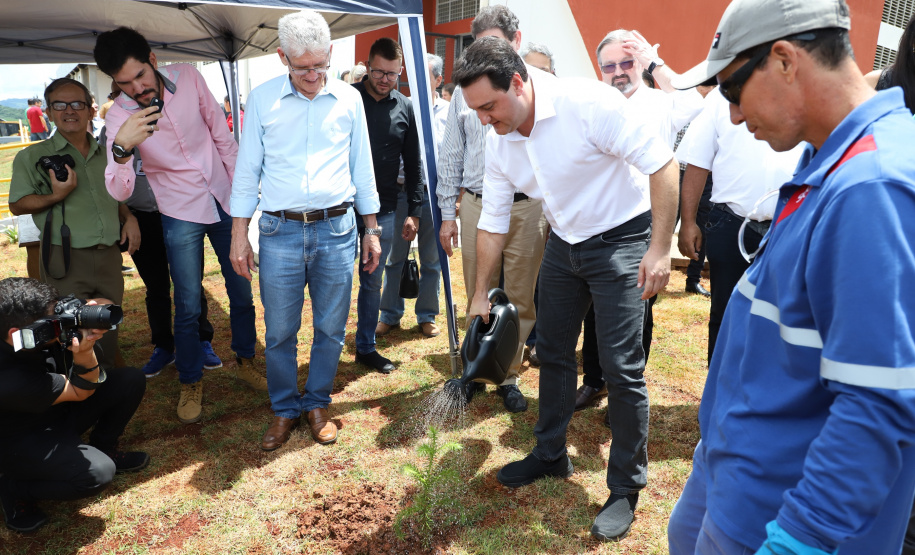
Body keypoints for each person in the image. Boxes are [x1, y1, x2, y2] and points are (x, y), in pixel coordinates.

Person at [665, 0, 915, 553]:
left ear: (783, 59)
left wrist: (796, 542)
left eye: (731, 90)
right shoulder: (830, 160)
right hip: (738, 484)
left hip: (780, 517)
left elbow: (877, 405)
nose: (730, 115)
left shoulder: (871, 185)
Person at [455, 36, 679, 542]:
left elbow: (662, 164)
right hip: (563, 241)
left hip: (621, 239)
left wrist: (660, 248)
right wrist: (478, 293)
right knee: (553, 351)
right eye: (477, 111)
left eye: (490, 106)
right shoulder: (498, 136)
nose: (486, 119)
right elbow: (492, 219)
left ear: (518, 81)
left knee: (621, 368)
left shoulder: (588, 104)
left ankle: (625, 488)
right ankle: (550, 453)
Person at [94, 27, 263, 426]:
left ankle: (246, 359)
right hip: (179, 209)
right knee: (186, 302)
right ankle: (190, 379)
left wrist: (243, 205)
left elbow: (222, 139)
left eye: (140, 76)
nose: (136, 88)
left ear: (153, 60)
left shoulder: (187, 76)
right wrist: (122, 149)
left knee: (240, 284)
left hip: (223, 198)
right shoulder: (119, 116)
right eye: (124, 84)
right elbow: (119, 188)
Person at [230, 10, 381, 450]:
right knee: (278, 329)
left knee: (332, 327)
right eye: (302, 67)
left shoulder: (349, 100)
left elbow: (363, 167)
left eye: (320, 65)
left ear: (331, 54)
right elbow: (246, 172)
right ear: (282, 57)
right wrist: (240, 232)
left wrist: (370, 228)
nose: (313, 75)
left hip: (337, 230)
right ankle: (284, 409)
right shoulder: (261, 100)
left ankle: (316, 402)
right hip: (280, 231)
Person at [574, 28, 705, 413]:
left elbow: (695, 103)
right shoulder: (593, 102)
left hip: (646, 224)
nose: (618, 72)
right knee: (596, 308)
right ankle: (594, 380)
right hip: (599, 221)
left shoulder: (660, 102)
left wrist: (654, 64)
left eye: (626, 63)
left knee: (637, 311)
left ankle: (625, 393)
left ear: (641, 66)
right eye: (609, 65)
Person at [437, 5, 548, 413]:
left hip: (527, 208)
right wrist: (448, 213)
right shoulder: (466, 96)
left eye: (495, 46)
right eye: (478, 47)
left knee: (520, 294)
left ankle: (509, 374)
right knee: (478, 291)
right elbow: (451, 153)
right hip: (476, 203)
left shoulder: (536, 90)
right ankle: (475, 368)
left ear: (515, 43)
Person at [0, 278, 148, 533]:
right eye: (53, 325)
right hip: (21, 439)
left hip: (56, 410)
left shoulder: (34, 323)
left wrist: (89, 310)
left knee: (129, 380)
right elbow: (81, 391)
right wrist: (84, 351)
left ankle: (104, 446)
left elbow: (105, 304)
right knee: (97, 474)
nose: (61, 326)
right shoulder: (9, 380)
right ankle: (14, 488)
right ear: (17, 334)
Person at [9, 78, 137, 371]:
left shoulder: (107, 153)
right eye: (60, 105)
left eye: (77, 104)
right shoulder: (32, 157)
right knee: (69, 330)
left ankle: (104, 383)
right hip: (64, 257)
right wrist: (56, 196)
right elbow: (17, 204)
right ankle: (77, 395)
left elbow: (115, 194)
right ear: (49, 112)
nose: (69, 111)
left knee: (106, 321)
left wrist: (128, 217)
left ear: (91, 111)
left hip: (108, 256)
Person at [98, 89, 223, 377]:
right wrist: (127, 216)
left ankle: (201, 341)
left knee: (190, 283)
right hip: (141, 220)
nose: (130, 100)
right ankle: (164, 346)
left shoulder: (172, 118)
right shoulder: (111, 131)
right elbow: (110, 177)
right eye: (121, 96)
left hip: (181, 214)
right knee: (156, 287)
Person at [677, 88, 803, 363]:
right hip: (730, 223)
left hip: (789, 228)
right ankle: (719, 396)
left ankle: (762, 397)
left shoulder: (807, 91)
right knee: (726, 313)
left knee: (780, 316)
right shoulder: (721, 98)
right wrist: (687, 222)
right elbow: (697, 162)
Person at [351, 37, 425, 374]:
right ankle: (331, 343)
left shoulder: (405, 106)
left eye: (392, 75)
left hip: (383, 208)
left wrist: (414, 211)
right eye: (379, 72)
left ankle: (365, 347)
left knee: (371, 277)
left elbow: (414, 164)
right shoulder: (347, 99)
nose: (385, 80)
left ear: (401, 72)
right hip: (340, 207)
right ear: (367, 66)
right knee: (335, 280)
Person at [376, 52, 446, 341]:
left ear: (438, 80)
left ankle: (426, 315)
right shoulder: (400, 107)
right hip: (401, 192)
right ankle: (389, 314)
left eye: (425, 76)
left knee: (432, 259)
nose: (415, 82)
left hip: (434, 195)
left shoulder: (450, 111)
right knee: (394, 257)